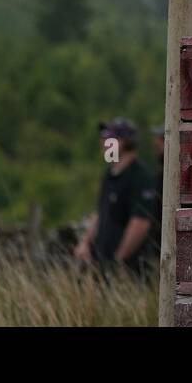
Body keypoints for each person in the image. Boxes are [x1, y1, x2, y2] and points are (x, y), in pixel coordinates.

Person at [73, 118, 160, 276]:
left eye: (109, 138)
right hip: (103, 265)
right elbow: (100, 212)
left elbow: (140, 223)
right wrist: (85, 243)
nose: (103, 143)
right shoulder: (110, 174)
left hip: (129, 269)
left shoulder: (140, 176)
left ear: (124, 142)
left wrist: (119, 259)